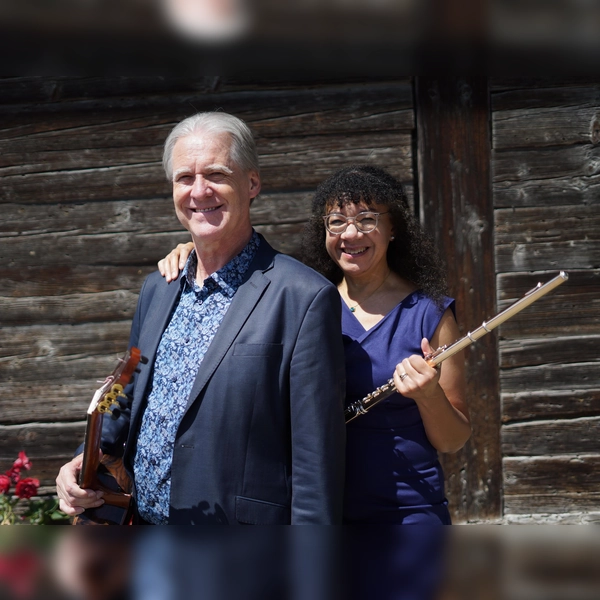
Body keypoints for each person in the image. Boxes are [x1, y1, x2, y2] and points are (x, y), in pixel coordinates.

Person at [56, 112, 347, 525]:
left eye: (216, 173)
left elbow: (316, 463)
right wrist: (83, 458)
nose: (199, 190)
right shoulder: (158, 288)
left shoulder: (303, 297)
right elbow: (129, 391)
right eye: (184, 178)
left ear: (252, 183)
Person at [160, 165, 471, 525]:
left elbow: (453, 440)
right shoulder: (303, 300)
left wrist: (428, 395)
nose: (350, 234)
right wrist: (194, 251)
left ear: (393, 228)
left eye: (367, 220)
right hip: (314, 510)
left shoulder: (431, 316)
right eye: (336, 222)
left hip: (405, 511)